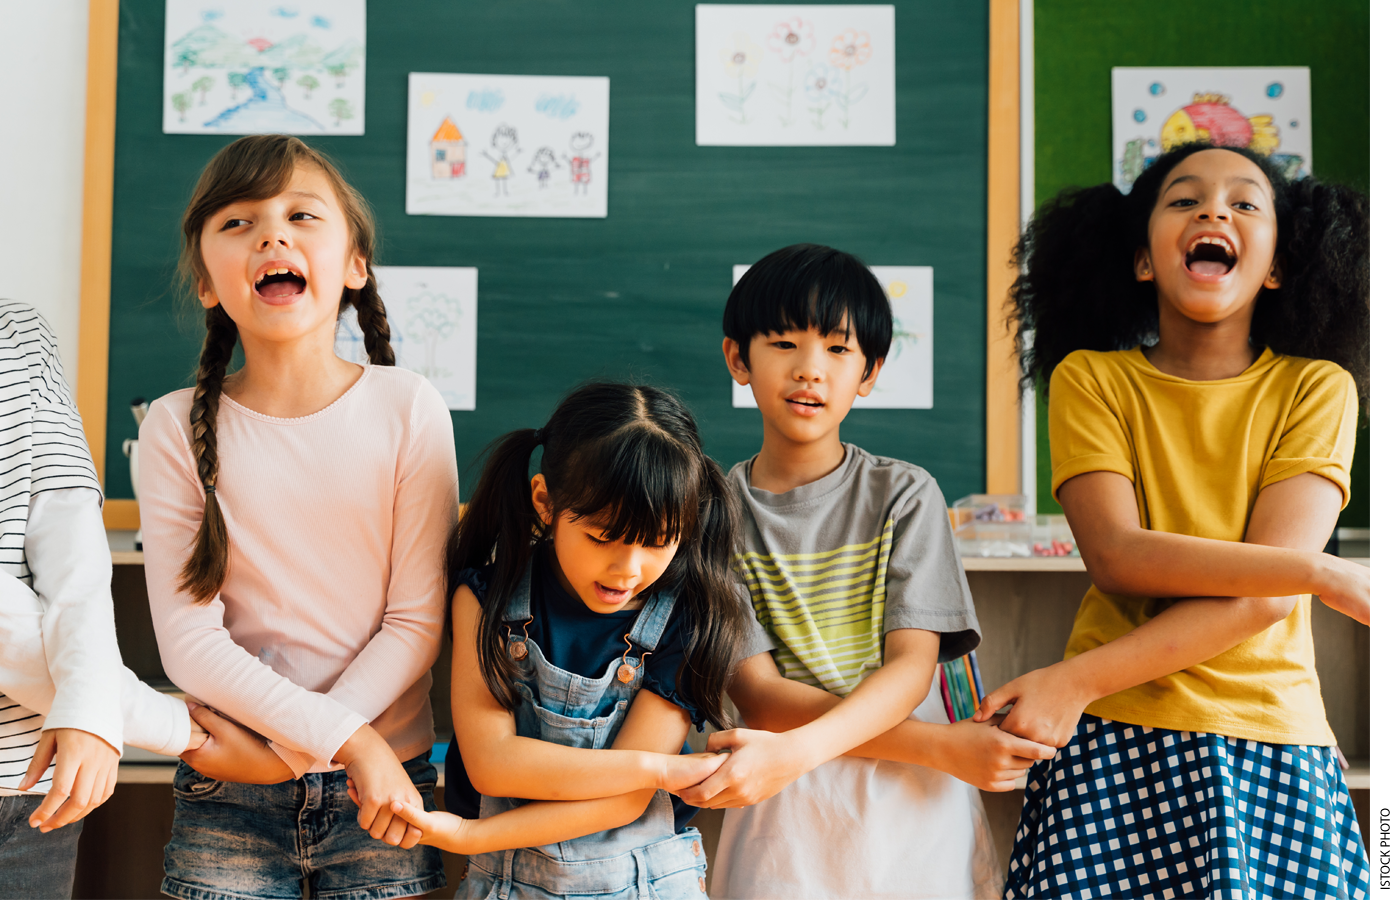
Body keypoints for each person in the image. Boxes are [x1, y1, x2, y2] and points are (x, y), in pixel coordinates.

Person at [984, 143, 1370, 899]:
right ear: (1141, 261)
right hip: (1110, 730)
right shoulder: (1091, 378)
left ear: (1279, 267)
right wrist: (1319, 570)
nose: (1213, 210)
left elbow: (1262, 597)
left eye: (1245, 202)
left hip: (1269, 735)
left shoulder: (1318, 389)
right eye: (1184, 198)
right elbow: (1121, 557)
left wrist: (1074, 680)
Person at [140, 134, 459, 900]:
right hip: (232, 802)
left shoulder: (408, 406)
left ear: (355, 266)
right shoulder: (172, 425)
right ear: (206, 281)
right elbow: (188, 644)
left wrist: (292, 755)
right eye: (239, 223)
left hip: (379, 794)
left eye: (301, 216)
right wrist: (345, 742)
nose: (273, 236)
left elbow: (415, 621)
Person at [682, 244, 1054, 900]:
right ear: (737, 358)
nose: (809, 370)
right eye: (783, 343)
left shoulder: (905, 495)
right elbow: (761, 697)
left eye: (837, 349)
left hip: (911, 807)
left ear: (870, 372)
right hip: (789, 805)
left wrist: (919, 753)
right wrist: (937, 747)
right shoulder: (714, 513)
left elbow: (911, 670)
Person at [386, 382, 746, 900]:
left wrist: (474, 835)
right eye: (602, 538)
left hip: (646, 882)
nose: (628, 569)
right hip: (507, 883)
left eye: (659, 542)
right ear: (545, 503)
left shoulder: (688, 616)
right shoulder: (486, 601)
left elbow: (625, 802)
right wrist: (662, 769)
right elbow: (494, 765)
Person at [0, 300, 212, 899]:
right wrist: (175, 728)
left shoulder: (17, 331)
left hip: (31, 782)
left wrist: (91, 707)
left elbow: (73, 547)